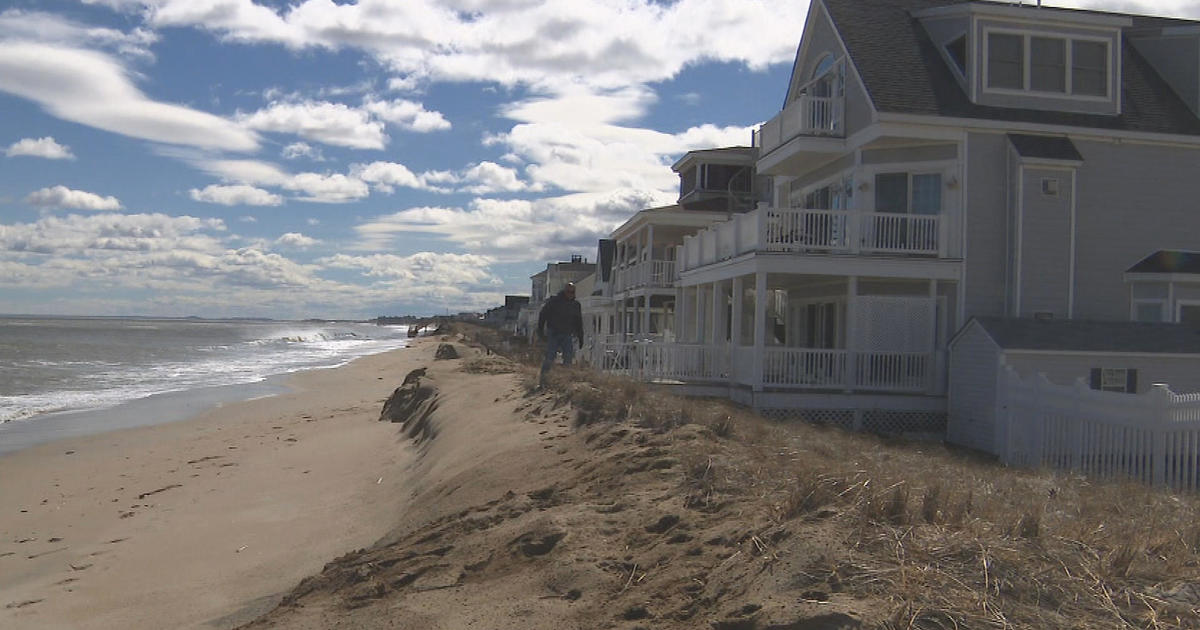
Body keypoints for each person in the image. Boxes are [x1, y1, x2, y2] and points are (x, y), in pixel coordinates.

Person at [537, 282, 583, 384]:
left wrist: (581, 337)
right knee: (550, 356)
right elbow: (543, 314)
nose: (571, 294)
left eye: (573, 292)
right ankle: (543, 381)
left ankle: (565, 381)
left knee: (568, 357)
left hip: (567, 334)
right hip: (553, 332)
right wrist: (540, 330)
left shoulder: (575, 305)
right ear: (564, 291)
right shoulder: (554, 301)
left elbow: (579, 321)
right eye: (568, 292)